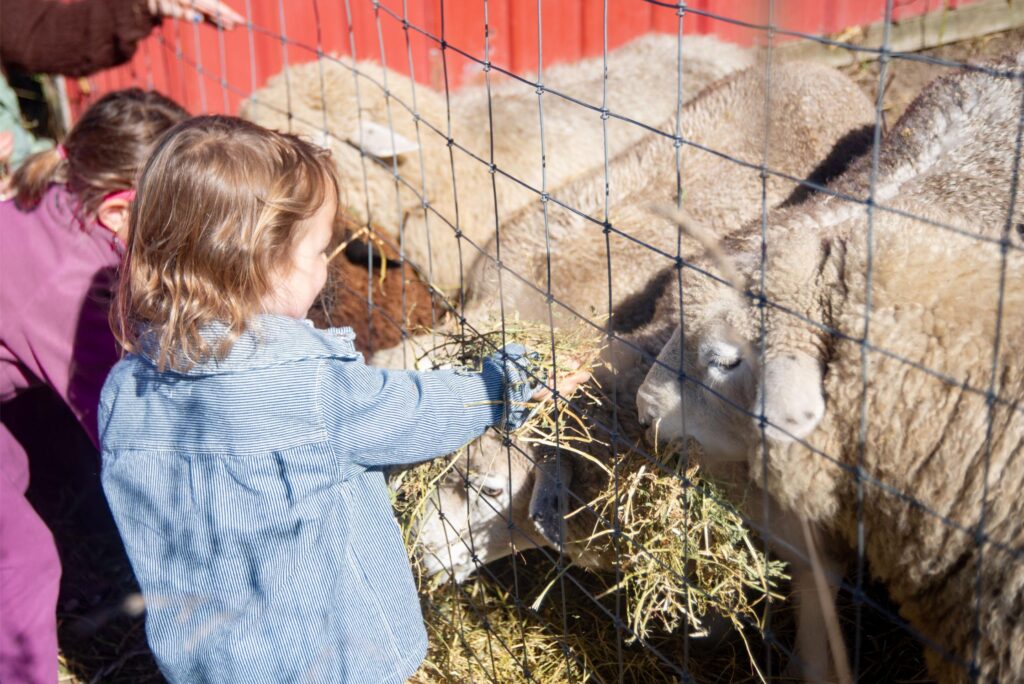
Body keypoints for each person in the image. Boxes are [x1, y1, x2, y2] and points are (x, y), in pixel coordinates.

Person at [99, 115, 588, 683]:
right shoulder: (310, 384)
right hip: (334, 661)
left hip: (207, 663)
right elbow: (414, 410)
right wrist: (503, 387)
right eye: (317, 250)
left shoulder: (123, 391)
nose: (326, 266)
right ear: (262, 258)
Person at [0, 88, 188, 684]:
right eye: (179, 212)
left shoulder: (55, 203)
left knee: (15, 467)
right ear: (119, 211)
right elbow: (122, 434)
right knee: (20, 560)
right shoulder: (73, 287)